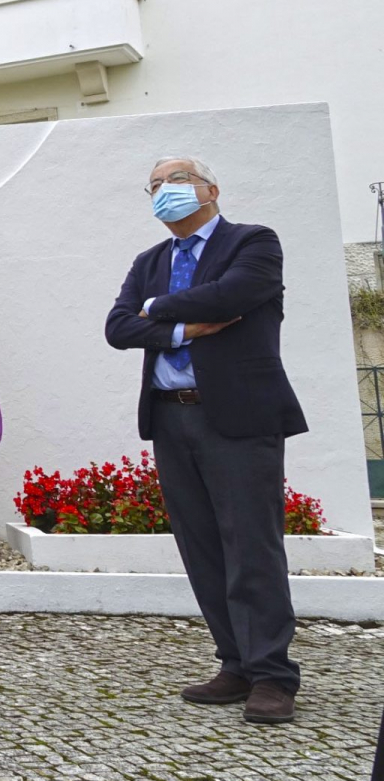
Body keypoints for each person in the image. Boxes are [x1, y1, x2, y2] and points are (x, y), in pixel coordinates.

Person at [105, 156, 305, 724]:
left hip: (237, 418)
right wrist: (182, 328)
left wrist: (154, 310)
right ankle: (236, 663)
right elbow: (117, 327)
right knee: (202, 548)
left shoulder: (253, 242)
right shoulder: (150, 260)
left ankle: (272, 675)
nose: (163, 191)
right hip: (171, 418)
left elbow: (231, 295)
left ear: (211, 189)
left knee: (251, 547)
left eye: (176, 180)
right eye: (154, 186)